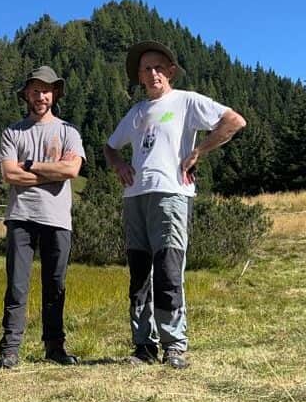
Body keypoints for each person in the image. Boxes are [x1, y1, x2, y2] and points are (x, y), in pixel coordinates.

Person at [104, 41, 246, 369]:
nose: (152, 73)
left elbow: (234, 121)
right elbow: (110, 147)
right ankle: (143, 346)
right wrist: (119, 165)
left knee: (168, 267)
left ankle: (174, 345)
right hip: (135, 196)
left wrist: (199, 151)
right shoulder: (137, 112)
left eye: (158, 67)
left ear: (170, 72)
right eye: (145, 69)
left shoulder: (186, 101)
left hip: (171, 193)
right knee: (139, 272)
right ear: (139, 76)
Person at [0, 66, 85, 370]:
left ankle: (55, 346)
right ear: (26, 95)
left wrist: (30, 166)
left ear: (54, 94)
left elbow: (71, 171)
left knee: (55, 283)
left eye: (46, 90)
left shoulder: (68, 131)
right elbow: (8, 173)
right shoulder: (12, 131)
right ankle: (10, 348)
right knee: (17, 285)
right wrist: (51, 174)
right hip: (20, 217)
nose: (41, 96)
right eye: (35, 90)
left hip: (57, 219)